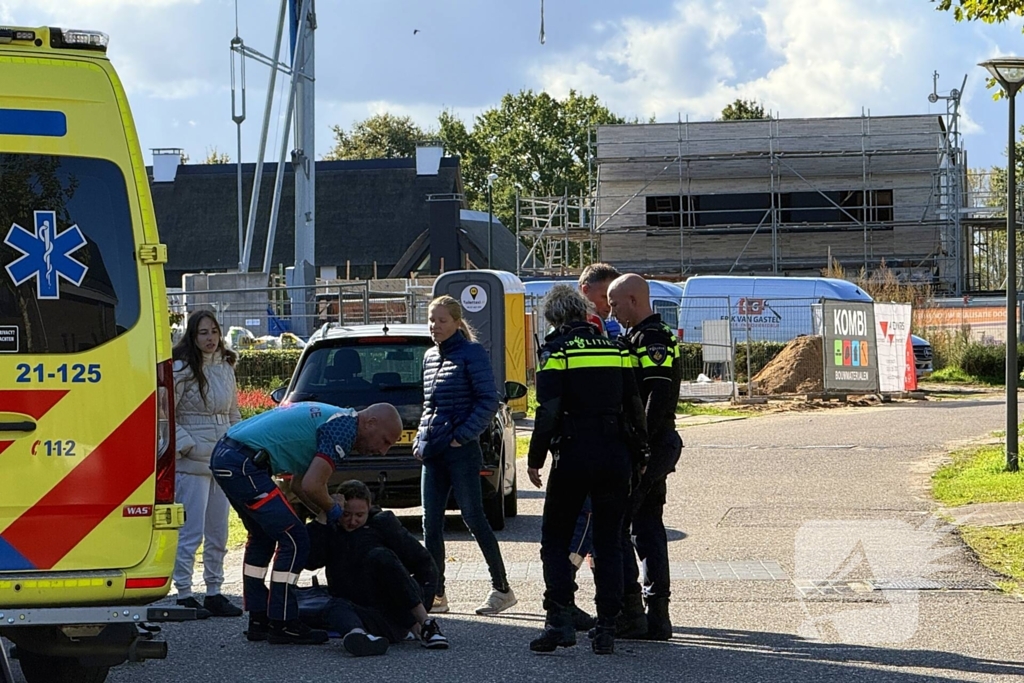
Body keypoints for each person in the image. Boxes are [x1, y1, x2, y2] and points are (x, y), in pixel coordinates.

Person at [210, 401, 403, 645]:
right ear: (371, 422)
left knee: (263, 537)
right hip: (244, 464)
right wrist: (334, 511)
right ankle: (284, 623)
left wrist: (323, 514)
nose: (383, 451)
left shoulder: (333, 419)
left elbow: (298, 485)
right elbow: (313, 485)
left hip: (229, 457)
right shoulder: (344, 428)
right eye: (385, 441)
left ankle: (259, 619)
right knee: (295, 537)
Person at [527, 285, 649, 656]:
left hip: (575, 454)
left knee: (555, 539)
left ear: (553, 319)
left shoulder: (555, 351)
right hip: (615, 454)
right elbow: (634, 404)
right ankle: (607, 628)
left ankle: (559, 620)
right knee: (610, 541)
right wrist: (641, 451)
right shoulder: (617, 349)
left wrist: (535, 458)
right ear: (583, 313)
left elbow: (548, 411)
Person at [415, 295, 516, 616]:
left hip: (461, 452)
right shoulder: (429, 356)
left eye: (442, 320)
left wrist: (462, 436)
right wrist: (420, 440)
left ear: (457, 322)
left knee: (473, 517)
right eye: (432, 320)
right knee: (430, 524)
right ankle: (437, 593)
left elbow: (489, 400)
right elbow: (429, 407)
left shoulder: (471, 353)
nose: (435, 326)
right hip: (434, 452)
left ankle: (501, 589)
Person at [608, 273, 684, 641]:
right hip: (650, 446)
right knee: (647, 527)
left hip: (650, 445)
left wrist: (640, 448)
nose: (612, 311)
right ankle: (655, 615)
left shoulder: (652, 339)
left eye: (616, 304)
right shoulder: (637, 337)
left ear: (634, 300)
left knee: (626, 526)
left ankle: (636, 612)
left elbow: (654, 398)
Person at [305, 480, 448, 656]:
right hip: (360, 610)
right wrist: (323, 517)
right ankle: (358, 637)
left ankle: (427, 626)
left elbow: (424, 563)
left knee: (380, 556)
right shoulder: (332, 529)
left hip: (394, 610)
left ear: (369, 509)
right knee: (334, 606)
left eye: (359, 515)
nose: (352, 521)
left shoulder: (382, 525)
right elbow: (310, 562)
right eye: (346, 514)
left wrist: (419, 610)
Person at [170, 310, 244, 620]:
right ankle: (184, 592)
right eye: (203, 332)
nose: (210, 338)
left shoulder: (226, 368)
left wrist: (240, 445)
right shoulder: (181, 370)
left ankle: (214, 590)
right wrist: (187, 446)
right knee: (191, 531)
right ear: (193, 335)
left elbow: (233, 413)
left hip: (221, 458)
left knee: (218, 532)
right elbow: (166, 416)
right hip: (192, 461)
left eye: (214, 331)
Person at [562, 262, 623, 632]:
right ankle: (565, 600)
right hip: (585, 444)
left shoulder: (605, 326)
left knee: (597, 530)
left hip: (597, 443)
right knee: (581, 528)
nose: (609, 305)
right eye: (604, 297)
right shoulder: (583, 330)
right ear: (586, 292)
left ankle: (603, 609)